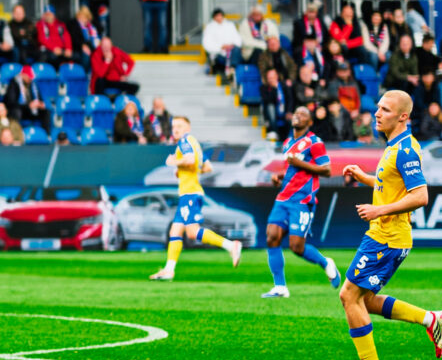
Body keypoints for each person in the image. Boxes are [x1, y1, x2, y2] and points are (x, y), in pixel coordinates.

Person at [335, 89, 442, 360]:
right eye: (378, 107)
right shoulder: (394, 145)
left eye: (385, 109)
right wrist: (366, 178)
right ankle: (430, 319)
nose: (377, 113)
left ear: (403, 117)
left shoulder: (405, 150)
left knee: (349, 295)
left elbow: (421, 195)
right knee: (366, 299)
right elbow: (391, 183)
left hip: (388, 237)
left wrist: (379, 211)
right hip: (383, 234)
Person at [147, 113, 243, 282]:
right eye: (174, 127)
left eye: (179, 126)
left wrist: (174, 162)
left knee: (192, 232)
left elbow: (190, 160)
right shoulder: (195, 144)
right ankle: (169, 270)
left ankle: (231, 245)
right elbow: (207, 167)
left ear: (188, 128)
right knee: (175, 230)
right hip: (190, 192)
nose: (176, 130)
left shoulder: (185, 142)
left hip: (189, 192)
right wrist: (185, 170)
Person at [261, 105, 342, 298]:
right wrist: (279, 177)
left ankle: (325, 262)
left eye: (303, 114)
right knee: (272, 236)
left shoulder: (315, 142)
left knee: (296, 246)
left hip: (303, 200)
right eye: (296, 112)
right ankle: (280, 287)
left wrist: (300, 163)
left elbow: (327, 170)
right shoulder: (288, 142)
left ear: (310, 122)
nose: (298, 115)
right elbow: (292, 170)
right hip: (283, 197)